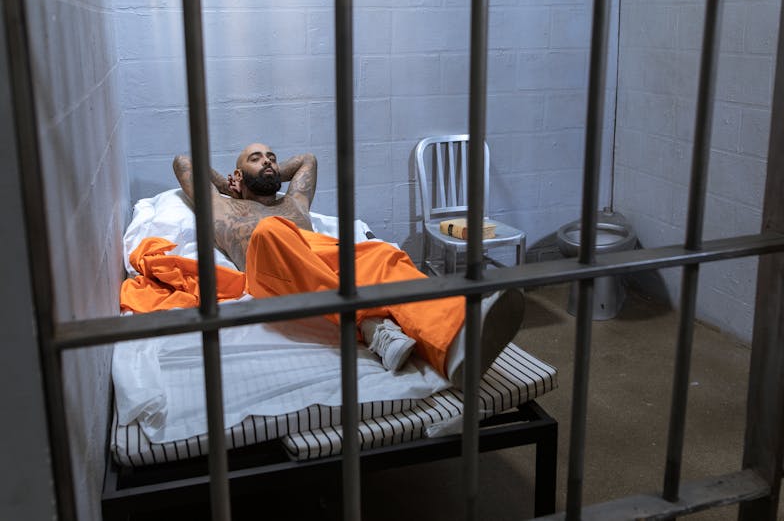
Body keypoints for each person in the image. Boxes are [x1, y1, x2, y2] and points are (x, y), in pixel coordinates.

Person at [171, 143, 523, 387]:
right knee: (270, 231)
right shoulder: (223, 209)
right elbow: (183, 162)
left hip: (324, 259)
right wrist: (228, 187)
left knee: (382, 255)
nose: (268, 162)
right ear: (237, 171)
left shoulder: (294, 204)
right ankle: (369, 322)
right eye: (256, 158)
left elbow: (307, 160)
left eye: (273, 157)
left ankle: (453, 341)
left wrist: (271, 173)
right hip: (271, 274)